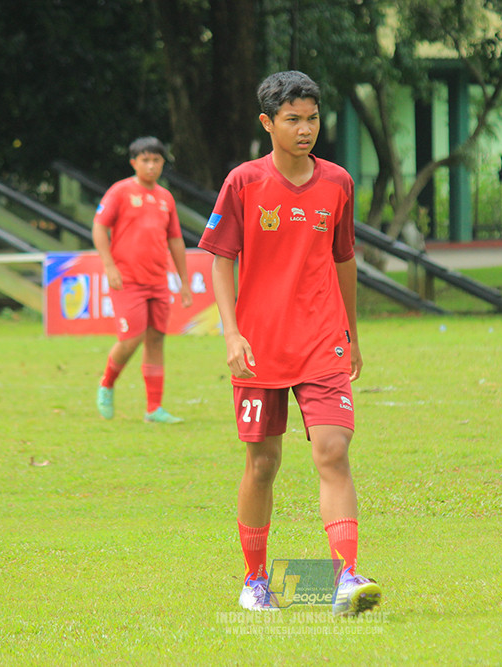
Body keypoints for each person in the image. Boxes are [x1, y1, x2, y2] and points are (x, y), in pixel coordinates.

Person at [198, 70, 382, 615]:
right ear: (267, 123)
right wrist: (231, 331)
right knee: (262, 463)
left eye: (313, 118)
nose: (306, 129)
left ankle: (346, 577)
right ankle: (255, 581)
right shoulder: (244, 182)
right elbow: (221, 258)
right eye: (293, 119)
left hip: (322, 339)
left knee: (333, 450)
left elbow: (343, 259)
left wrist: (351, 334)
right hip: (260, 346)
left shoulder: (338, 183)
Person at [93, 136, 193, 424]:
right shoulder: (120, 191)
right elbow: (99, 228)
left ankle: (153, 409)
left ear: (162, 163)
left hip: (157, 281)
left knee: (156, 339)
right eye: (145, 160)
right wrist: (109, 266)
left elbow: (175, 240)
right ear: (133, 163)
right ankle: (107, 383)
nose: (151, 166)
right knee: (131, 338)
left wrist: (184, 282)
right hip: (127, 280)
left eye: (156, 160)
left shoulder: (166, 198)